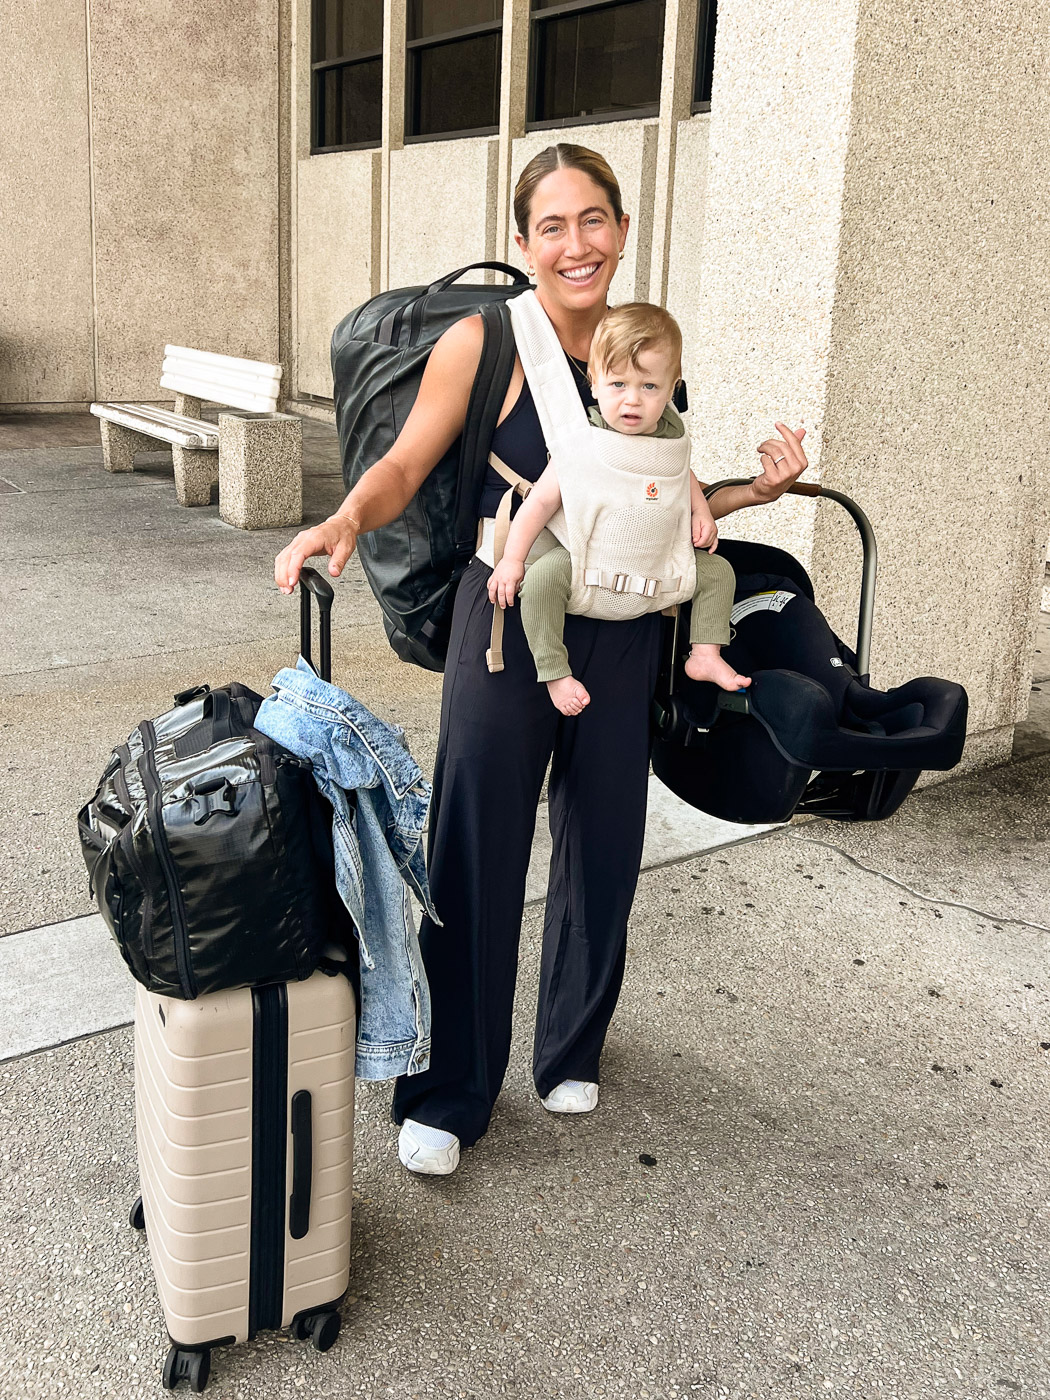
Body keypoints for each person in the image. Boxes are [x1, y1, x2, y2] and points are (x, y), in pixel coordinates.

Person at [274, 143, 808, 1176]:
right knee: (478, 843)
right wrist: (343, 517)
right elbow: (404, 461)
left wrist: (757, 492)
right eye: (553, 226)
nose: (577, 244)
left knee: (605, 831)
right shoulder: (486, 339)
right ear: (523, 243)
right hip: (508, 609)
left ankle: (570, 1042)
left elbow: (668, 499)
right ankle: (448, 1089)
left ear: (621, 228)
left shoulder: (641, 348)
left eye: (594, 220)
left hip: (630, 615)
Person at [487, 301, 750, 719]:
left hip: (654, 574)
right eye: (618, 384)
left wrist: (701, 514)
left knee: (719, 572)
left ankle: (704, 652)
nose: (633, 400)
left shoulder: (670, 443)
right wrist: (512, 560)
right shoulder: (582, 443)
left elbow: (681, 476)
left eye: (649, 388)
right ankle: (554, 671)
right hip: (584, 568)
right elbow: (538, 503)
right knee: (539, 584)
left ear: (671, 389)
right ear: (594, 383)